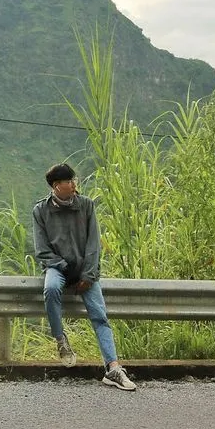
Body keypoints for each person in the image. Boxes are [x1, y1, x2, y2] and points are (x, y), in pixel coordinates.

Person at [32, 162, 137, 391]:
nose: (73, 184)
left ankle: (113, 368)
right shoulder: (40, 210)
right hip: (57, 268)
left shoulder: (86, 205)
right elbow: (42, 249)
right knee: (50, 289)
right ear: (56, 186)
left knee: (99, 316)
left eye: (73, 180)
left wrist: (88, 275)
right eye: (68, 181)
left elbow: (93, 244)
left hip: (85, 269)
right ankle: (61, 341)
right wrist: (63, 266)